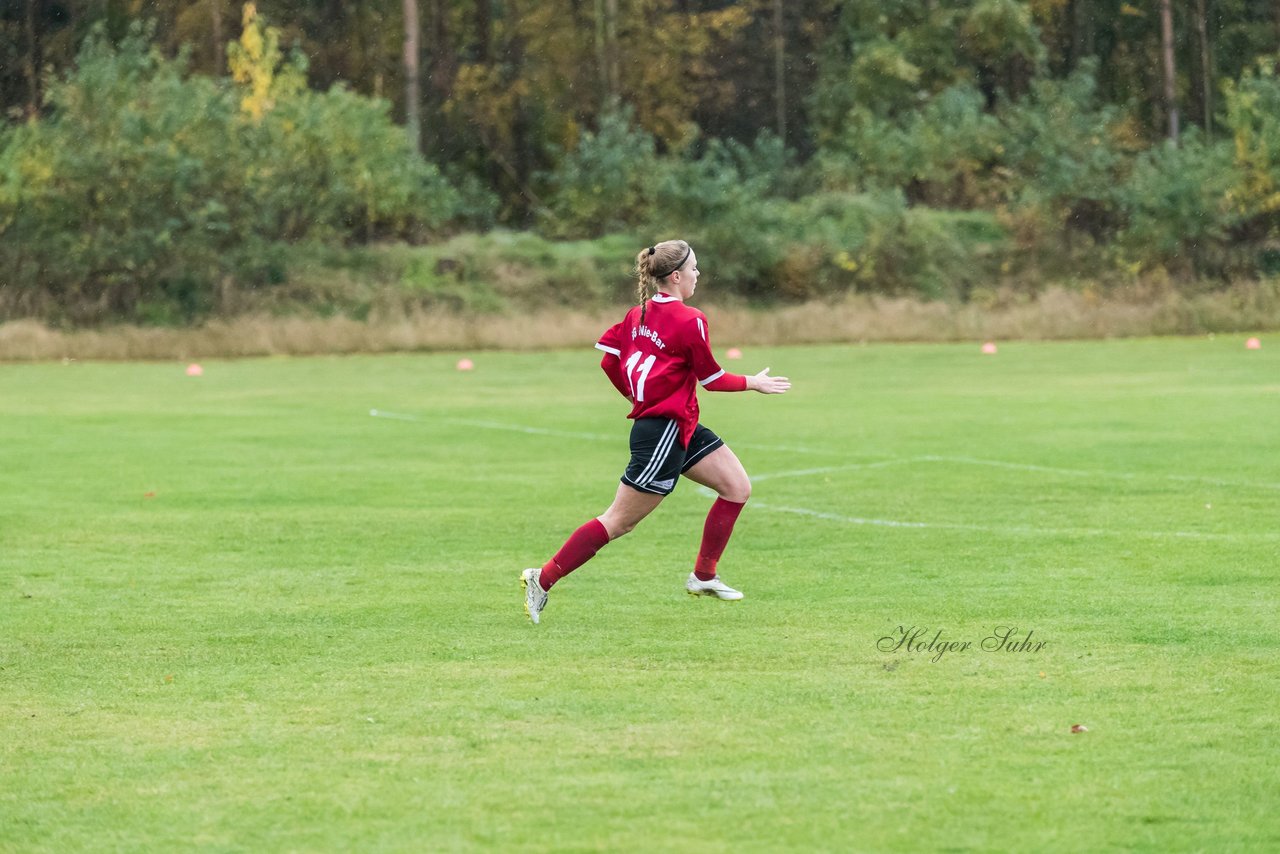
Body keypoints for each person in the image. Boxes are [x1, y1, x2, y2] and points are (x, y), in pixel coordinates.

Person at [521, 239, 790, 624]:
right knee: (619, 521)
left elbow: (608, 362)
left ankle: (703, 576)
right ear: (676, 275)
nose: (698, 274)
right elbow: (712, 379)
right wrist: (753, 382)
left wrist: (638, 396)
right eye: (694, 268)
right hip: (662, 433)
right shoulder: (690, 319)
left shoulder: (638, 314)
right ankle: (541, 578)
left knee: (736, 487)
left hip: (678, 425)